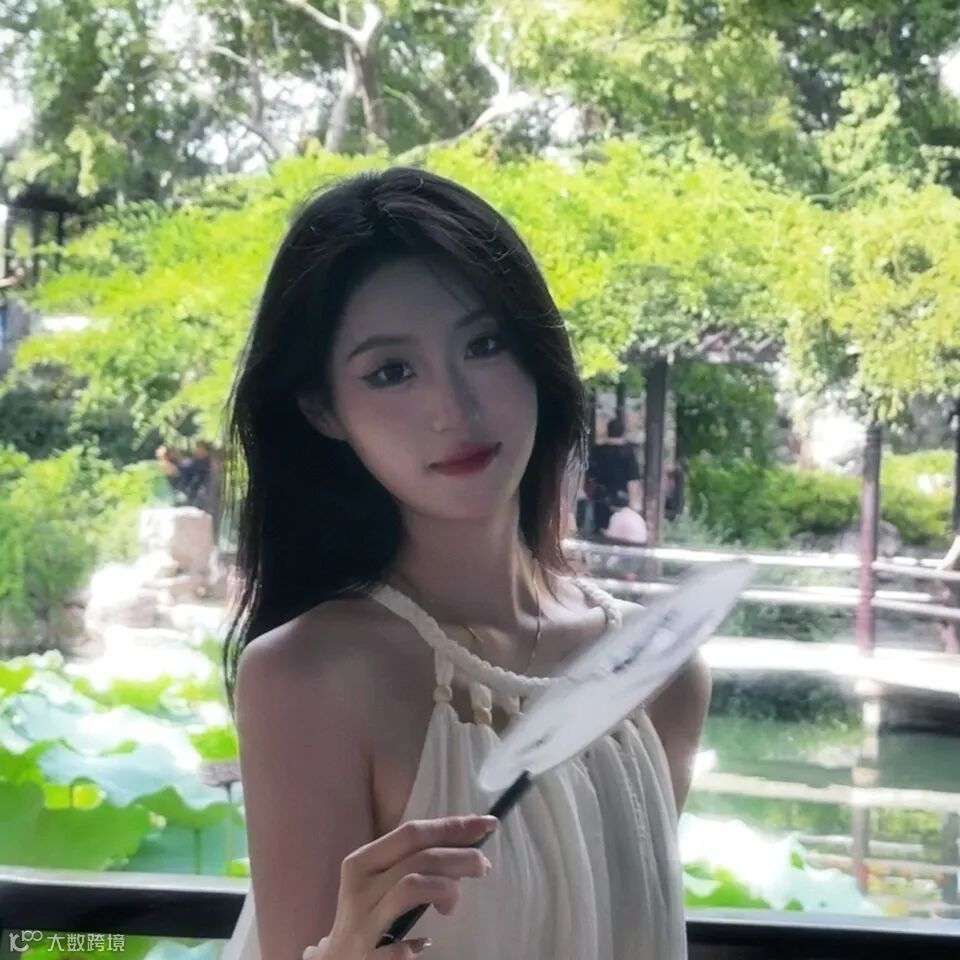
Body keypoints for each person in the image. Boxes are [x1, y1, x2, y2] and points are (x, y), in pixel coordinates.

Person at [219, 167, 711, 960]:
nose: (453, 408)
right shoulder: (309, 676)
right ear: (322, 409)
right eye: (391, 371)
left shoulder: (660, 672)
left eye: (484, 345)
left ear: (535, 356)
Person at [584, 415, 642, 534]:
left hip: (600, 499)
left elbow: (589, 477)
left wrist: (590, 495)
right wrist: (634, 504)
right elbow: (633, 480)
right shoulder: (628, 452)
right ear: (623, 432)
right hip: (622, 502)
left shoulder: (597, 450)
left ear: (608, 431)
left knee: (599, 533)